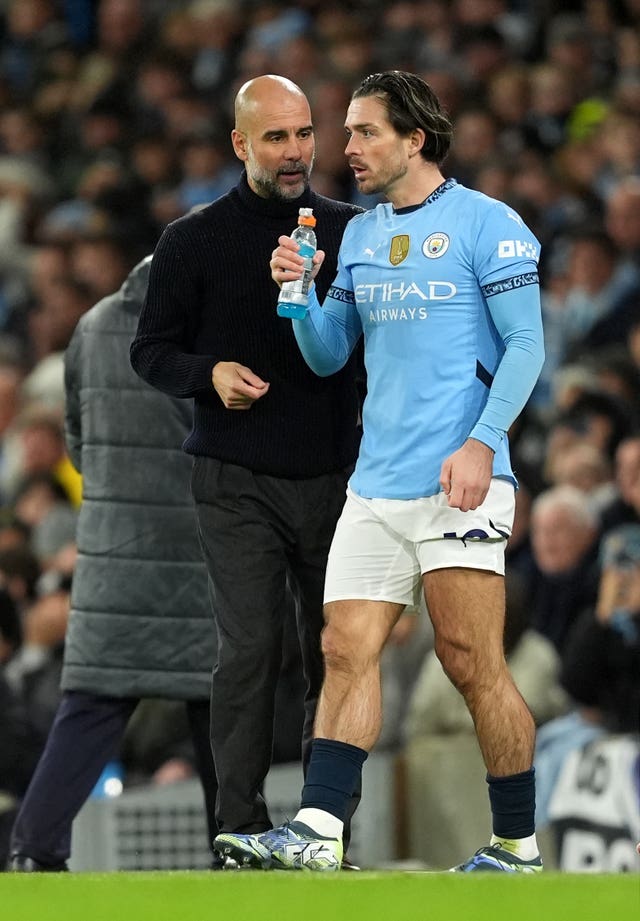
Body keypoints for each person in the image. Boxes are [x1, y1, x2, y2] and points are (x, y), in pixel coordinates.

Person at [214, 70, 545, 873]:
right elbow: (329, 356)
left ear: (415, 139)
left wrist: (483, 442)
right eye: (350, 132)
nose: (347, 148)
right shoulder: (358, 236)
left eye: (365, 132)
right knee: (344, 646)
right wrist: (297, 294)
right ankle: (321, 829)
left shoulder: (490, 226)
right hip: (376, 482)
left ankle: (516, 842)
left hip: (459, 478)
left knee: (471, 660)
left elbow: (529, 346)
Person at [130, 76, 363, 851]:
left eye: (303, 133)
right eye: (275, 137)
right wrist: (212, 374)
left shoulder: (351, 233)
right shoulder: (191, 241)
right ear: (240, 144)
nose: (295, 151)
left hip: (334, 477)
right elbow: (152, 350)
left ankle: (323, 826)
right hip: (233, 476)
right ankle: (237, 826)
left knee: (337, 648)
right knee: (255, 647)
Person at [7, 257, 220, 872]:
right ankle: (235, 850)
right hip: (195, 555)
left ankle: (34, 849)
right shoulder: (213, 328)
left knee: (92, 705)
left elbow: (77, 439)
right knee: (222, 714)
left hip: (110, 551)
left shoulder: (94, 324)